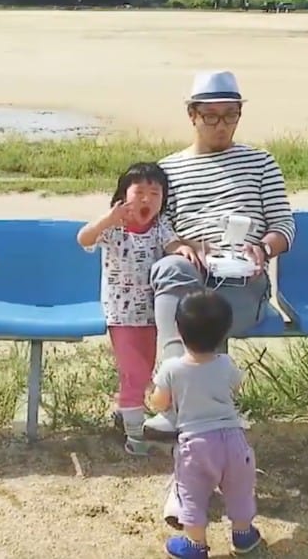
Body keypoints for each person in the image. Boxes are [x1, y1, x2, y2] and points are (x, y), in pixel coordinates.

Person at [146, 69, 296, 439]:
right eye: (211, 117)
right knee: (171, 268)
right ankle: (197, 411)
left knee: (207, 309)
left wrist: (263, 247)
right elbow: (161, 228)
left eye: (231, 115)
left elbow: (284, 227)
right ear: (192, 115)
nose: (222, 126)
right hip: (192, 276)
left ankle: (175, 407)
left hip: (242, 281)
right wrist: (180, 245)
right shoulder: (170, 169)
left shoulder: (261, 164)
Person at [77, 162, 200, 456]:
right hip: (122, 314)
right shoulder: (113, 228)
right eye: (139, 192)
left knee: (148, 369)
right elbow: (84, 238)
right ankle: (135, 438)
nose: (147, 200)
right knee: (134, 372)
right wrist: (107, 219)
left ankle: (126, 414)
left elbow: (172, 245)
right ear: (123, 195)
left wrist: (181, 249)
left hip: (153, 313)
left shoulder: (159, 228)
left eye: (155, 194)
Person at [148, 289, 262, 559]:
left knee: (193, 495)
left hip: (196, 444)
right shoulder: (225, 363)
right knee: (239, 490)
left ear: (177, 329)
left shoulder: (172, 369)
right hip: (233, 440)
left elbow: (160, 403)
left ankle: (195, 546)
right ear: (224, 333)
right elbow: (237, 386)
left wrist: (153, 397)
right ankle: (243, 536)